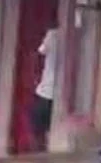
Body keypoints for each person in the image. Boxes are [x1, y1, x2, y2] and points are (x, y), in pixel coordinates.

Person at [30, 20, 59, 152]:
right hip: (57, 93)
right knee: (47, 129)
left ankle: (37, 152)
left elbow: (39, 53)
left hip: (45, 91)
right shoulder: (72, 36)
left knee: (37, 127)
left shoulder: (52, 35)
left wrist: (35, 77)